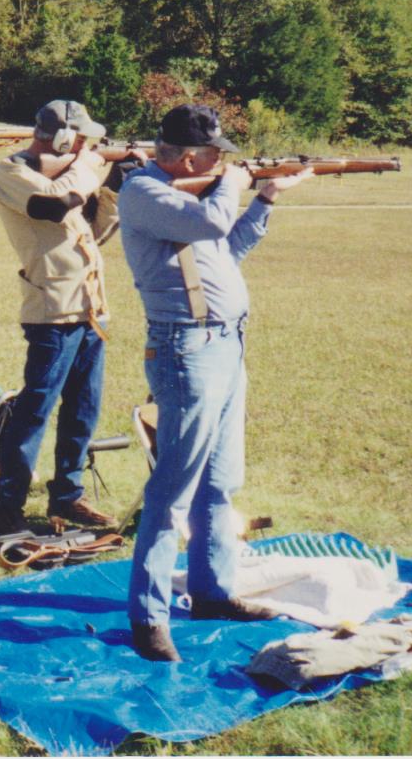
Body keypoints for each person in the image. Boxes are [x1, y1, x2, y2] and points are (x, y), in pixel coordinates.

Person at [118, 104, 313, 662]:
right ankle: (149, 617)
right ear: (185, 157)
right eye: (214, 155)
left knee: (221, 481)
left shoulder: (191, 198)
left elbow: (228, 249)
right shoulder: (144, 192)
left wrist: (267, 197)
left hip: (227, 344)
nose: (223, 162)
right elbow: (212, 223)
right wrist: (233, 183)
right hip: (188, 350)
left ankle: (212, 591)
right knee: (172, 491)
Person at [0, 99, 141, 531]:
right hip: (52, 309)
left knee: (83, 409)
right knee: (35, 409)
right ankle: (8, 506)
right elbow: (53, 205)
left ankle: (67, 497)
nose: (85, 146)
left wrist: (112, 188)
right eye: (80, 139)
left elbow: (90, 233)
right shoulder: (12, 172)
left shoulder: (71, 177)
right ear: (61, 138)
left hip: (90, 308)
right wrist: (91, 166)